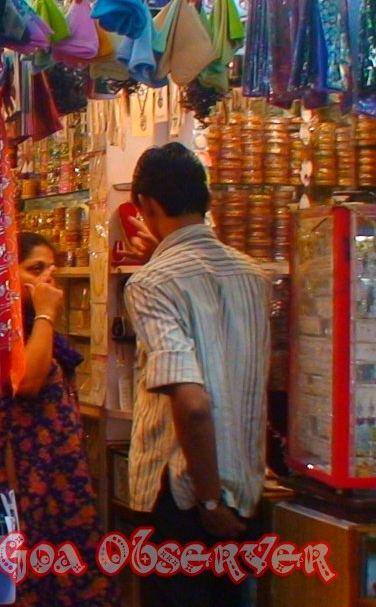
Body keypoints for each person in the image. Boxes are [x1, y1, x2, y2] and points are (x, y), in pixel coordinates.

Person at [123, 143, 270, 607]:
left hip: (185, 497)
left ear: (145, 206)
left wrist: (208, 503)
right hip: (244, 493)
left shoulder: (151, 283)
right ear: (204, 200)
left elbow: (193, 404)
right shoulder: (253, 275)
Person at [0, 232, 117, 607]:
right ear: (7, 276)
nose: (47, 280)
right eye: (35, 269)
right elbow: (28, 380)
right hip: (15, 480)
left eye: (51, 270)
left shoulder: (30, 327)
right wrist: (44, 313)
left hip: (52, 477)